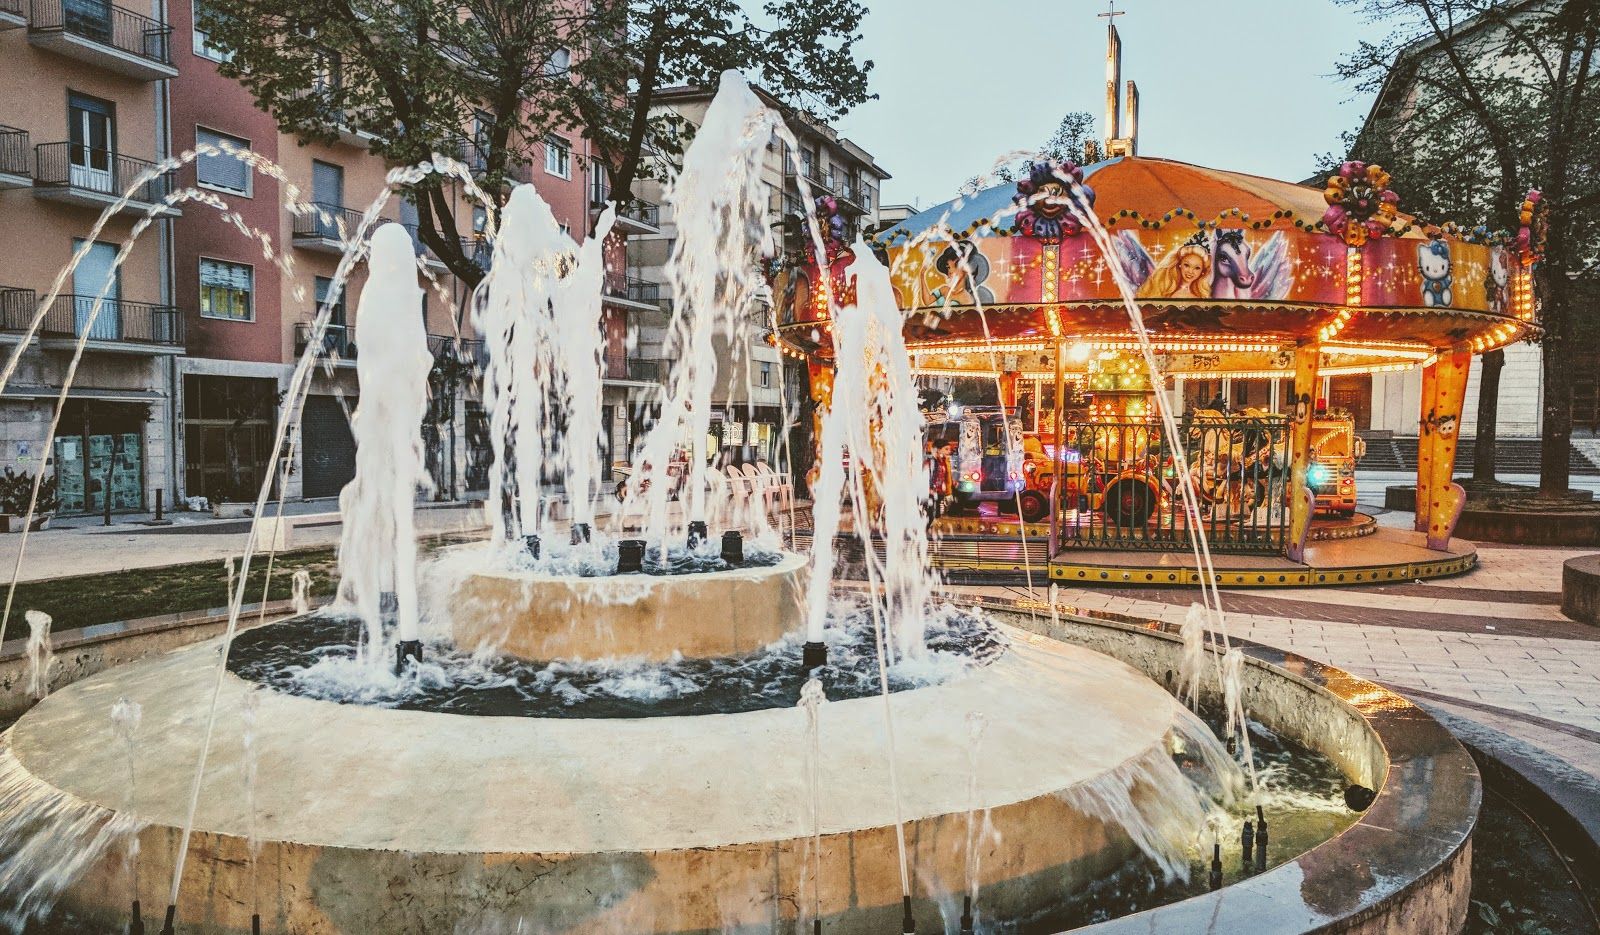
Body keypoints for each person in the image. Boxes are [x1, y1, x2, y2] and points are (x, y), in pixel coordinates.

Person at [1137, 242, 1213, 299]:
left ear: (1202, 272)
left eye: (1197, 268)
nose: (1190, 271)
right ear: (1179, 265)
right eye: (1186, 265)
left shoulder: (1202, 296)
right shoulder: (1164, 288)